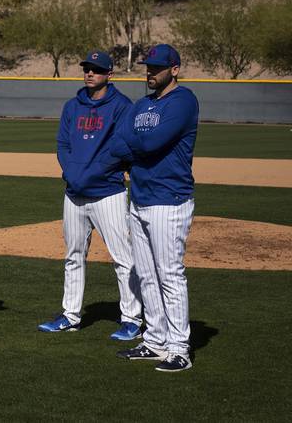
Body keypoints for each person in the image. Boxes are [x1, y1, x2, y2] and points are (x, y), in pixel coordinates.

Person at [38, 51, 142, 340]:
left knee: (123, 257)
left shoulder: (122, 106)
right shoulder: (73, 106)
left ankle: (132, 319)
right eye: (86, 68)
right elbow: (62, 144)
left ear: (109, 74)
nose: (89, 73)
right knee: (73, 255)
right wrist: (72, 173)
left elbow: (121, 148)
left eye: (96, 69)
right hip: (74, 193)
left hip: (108, 192)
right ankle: (70, 315)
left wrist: (90, 174)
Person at [111, 44, 199, 373]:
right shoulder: (142, 103)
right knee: (146, 276)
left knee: (169, 275)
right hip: (141, 196)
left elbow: (146, 143)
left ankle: (179, 348)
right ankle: (155, 340)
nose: (150, 72)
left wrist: (133, 144)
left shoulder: (183, 101)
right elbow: (118, 142)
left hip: (170, 198)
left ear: (174, 69)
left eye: (157, 68)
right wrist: (134, 145)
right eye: (148, 67)